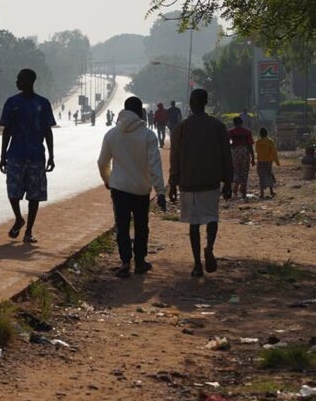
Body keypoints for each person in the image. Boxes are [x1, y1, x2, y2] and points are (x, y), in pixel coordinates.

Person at [98, 96, 167, 277]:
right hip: (141, 189)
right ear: (140, 113)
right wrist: (160, 191)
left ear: (123, 111)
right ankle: (140, 261)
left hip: (119, 188)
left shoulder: (112, 134)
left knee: (121, 225)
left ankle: (125, 261)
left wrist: (108, 180)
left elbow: (102, 162)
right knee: (141, 226)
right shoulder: (148, 136)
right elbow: (154, 166)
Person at [169, 88, 233, 277]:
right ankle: (209, 247)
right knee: (212, 218)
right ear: (206, 103)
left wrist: (173, 183)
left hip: (188, 182)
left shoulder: (181, 128)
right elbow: (226, 156)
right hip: (211, 182)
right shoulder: (217, 126)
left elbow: (175, 157)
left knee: (194, 223)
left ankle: (197, 264)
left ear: (191, 103)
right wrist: (228, 182)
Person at [0, 68, 56, 244]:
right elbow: (6, 130)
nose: (17, 82)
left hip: (36, 155)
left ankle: (29, 231)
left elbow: (48, 131)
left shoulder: (42, 103)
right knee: (13, 191)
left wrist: (52, 155)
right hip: (16, 154)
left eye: (20, 79)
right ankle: (18, 218)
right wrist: (2, 156)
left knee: (34, 195)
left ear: (29, 81)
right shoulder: (12, 102)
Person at [227, 115, 256, 198]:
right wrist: (253, 158)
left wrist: (232, 147)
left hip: (235, 152)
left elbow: (228, 143)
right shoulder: (247, 132)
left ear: (234, 123)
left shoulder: (231, 132)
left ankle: (236, 184)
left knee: (236, 170)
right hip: (245, 152)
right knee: (244, 171)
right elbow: (250, 145)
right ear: (242, 123)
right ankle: (243, 191)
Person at [255, 126, 280, 198]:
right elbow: (274, 152)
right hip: (268, 161)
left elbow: (257, 151)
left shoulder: (257, 142)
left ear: (260, 134)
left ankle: (262, 193)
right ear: (267, 134)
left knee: (261, 176)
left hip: (260, 161)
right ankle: (271, 191)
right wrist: (277, 161)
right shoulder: (270, 141)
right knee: (269, 174)